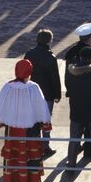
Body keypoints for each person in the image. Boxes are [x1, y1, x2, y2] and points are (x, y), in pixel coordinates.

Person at [0, 59, 52, 182]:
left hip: (12, 129)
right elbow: (41, 108)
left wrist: (5, 118)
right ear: (30, 72)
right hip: (30, 129)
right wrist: (45, 121)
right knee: (31, 155)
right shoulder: (34, 88)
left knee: (12, 155)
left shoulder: (7, 86)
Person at [24, 30, 62, 158]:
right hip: (47, 94)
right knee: (46, 121)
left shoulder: (29, 54)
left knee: (33, 120)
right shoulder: (51, 57)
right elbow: (54, 78)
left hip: (31, 93)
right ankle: (45, 146)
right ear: (49, 41)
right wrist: (58, 94)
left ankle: (33, 146)